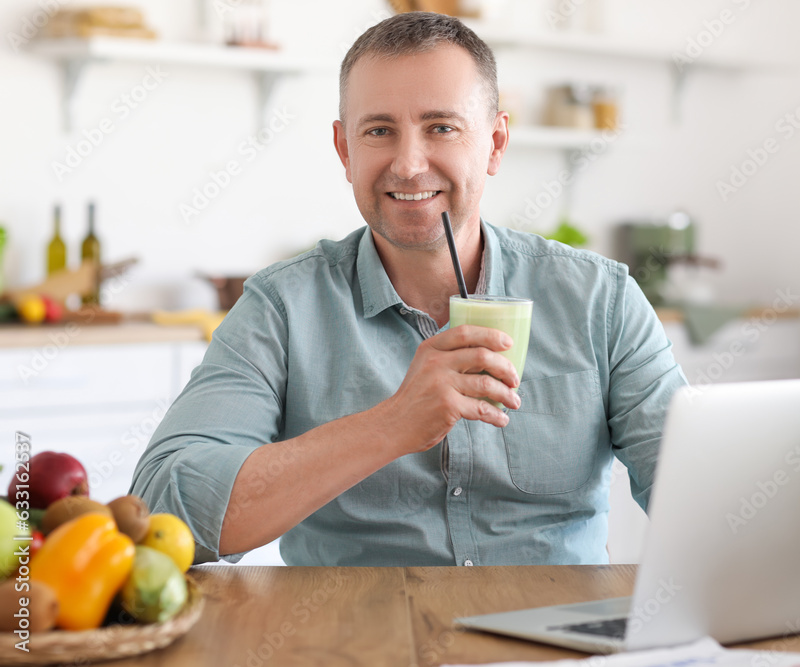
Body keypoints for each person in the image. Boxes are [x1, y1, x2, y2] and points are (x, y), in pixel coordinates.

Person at [130, 12, 687, 566]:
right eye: (379, 131)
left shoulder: (601, 300)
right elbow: (162, 513)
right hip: (351, 647)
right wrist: (391, 425)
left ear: (494, 144)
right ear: (345, 150)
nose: (408, 163)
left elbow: (699, 495)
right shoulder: (282, 308)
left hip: (558, 647)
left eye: (441, 127)